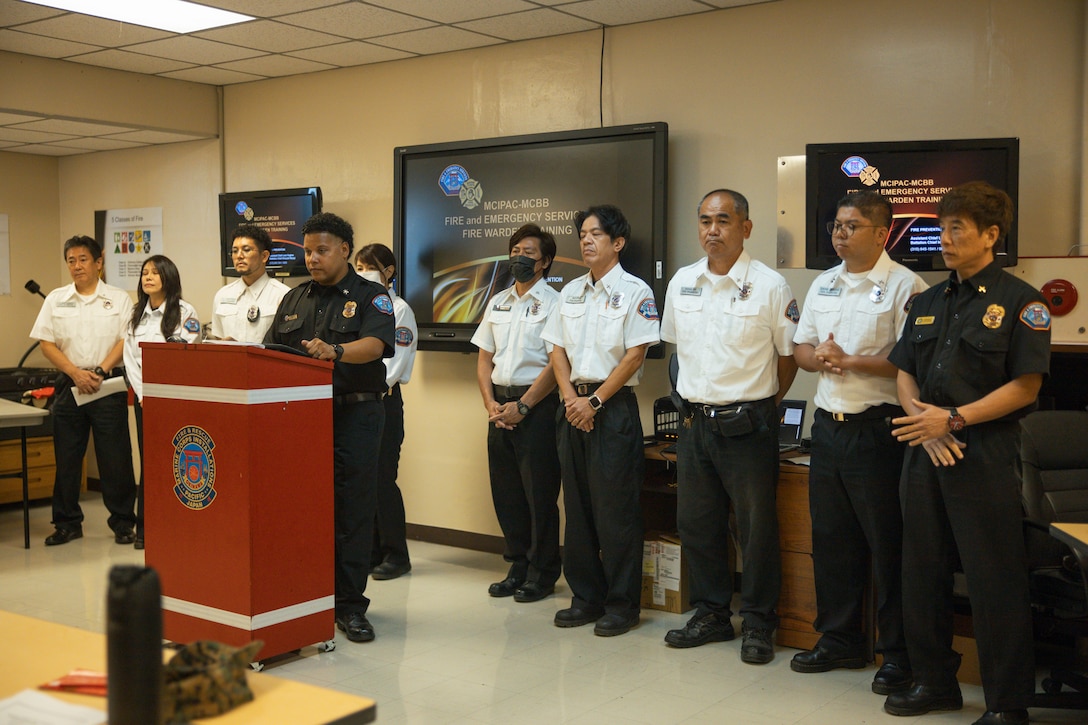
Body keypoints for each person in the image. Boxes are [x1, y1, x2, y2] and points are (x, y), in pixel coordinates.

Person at [885, 182, 1050, 725]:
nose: (945, 237)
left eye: (958, 227)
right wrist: (926, 426)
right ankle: (935, 683)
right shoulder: (927, 300)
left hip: (982, 454)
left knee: (993, 578)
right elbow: (905, 372)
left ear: (991, 235)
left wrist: (952, 420)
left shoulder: (1022, 302)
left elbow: (1025, 387)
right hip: (925, 451)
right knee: (922, 571)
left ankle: (1007, 704)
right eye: (943, 225)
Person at [790, 191, 927, 691]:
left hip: (880, 429)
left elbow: (906, 360)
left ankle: (897, 654)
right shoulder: (823, 283)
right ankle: (840, 641)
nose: (840, 234)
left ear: (881, 232)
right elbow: (801, 348)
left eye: (852, 226)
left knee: (888, 544)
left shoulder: (906, 286)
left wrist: (846, 361)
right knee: (832, 541)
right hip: (828, 428)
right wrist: (818, 358)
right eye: (836, 226)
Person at [659, 189, 798, 664]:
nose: (711, 230)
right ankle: (712, 613)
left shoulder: (770, 286)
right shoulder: (682, 281)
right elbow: (677, 350)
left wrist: (762, 407)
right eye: (704, 221)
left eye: (722, 220)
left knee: (755, 530)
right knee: (697, 523)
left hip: (748, 427)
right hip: (695, 423)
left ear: (746, 228)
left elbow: (787, 358)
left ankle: (759, 622)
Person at [264, 212, 395, 643]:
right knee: (305, 509)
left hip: (355, 415)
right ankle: (309, 597)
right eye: (308, 250)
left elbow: (376, 346)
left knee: (352, 511)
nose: (313, 258)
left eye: (322, 250)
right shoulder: (293, 298)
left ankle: (350, 606)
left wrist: (335, 350)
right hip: (301, 420)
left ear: (344, 250)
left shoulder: (372, 296)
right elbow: (271, 352)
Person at [541, 204, 660, 636]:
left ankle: (622, 605)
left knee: (616, 512)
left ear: (618, 242)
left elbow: (635, 355)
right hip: (571, 408)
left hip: (613, 410)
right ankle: (585, 598)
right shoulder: (569, 291)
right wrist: (572, 399)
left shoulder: (635, 291)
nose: (586, 241)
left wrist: (593, 402)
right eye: (583, 235)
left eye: (596, 235)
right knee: (578, 508)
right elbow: (556, 350)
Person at [472, 224, 562, 603]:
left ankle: (542, 572)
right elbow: (483, 360)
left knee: (538, 494)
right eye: (514, 251)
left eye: (528, 252)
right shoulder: (498, 302)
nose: (519, 258)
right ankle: (517, 566)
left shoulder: (557, 302)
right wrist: (491, 403)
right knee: (507, 493)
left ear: (544, 262)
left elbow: (558, 365)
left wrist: (523, 406)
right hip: (499, 408)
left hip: (536, 408)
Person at [30, 235, 137, 546]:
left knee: (115, 457)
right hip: (69, 383)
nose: (76, 266)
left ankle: (122, 522)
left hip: (107, 382)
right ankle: (66, 523)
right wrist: (75, 373)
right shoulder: (55, 299)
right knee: (67, 457)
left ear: (99, 262)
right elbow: (46, 343)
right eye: (71, 261)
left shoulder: (118, 299)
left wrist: (99, 370)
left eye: (83, 260)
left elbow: (124, 341)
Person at [122, 255, 201, 550]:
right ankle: (144, 529)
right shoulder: (135, 314)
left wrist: (164, 394)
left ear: (168, 277)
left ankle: (176, 525)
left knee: (177, 463)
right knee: (150, 463)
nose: (148, 277)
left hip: (176, 401)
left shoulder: (185, 311)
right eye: (144, 273)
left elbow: (187, 349)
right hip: (146, 402)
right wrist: (144, 395)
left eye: (155, 272)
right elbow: (130, 360)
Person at [353, 244, 416, 581]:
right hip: (358, 402)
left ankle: (397, 554)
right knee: (363, 480)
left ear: (389, 271)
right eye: (358, 266)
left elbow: (395, 362)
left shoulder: (400, 309)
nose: (362, 271)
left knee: (383, 479)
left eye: (369, 266)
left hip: (384, 400)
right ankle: (373, 551)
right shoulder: (360, 305)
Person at [210, 224, 290, 342]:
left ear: (264, 256)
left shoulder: (283, 295)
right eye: (235, 251)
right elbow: (219, 337)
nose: (239, 256)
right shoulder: (222, 295)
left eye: (246, 250)